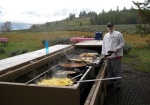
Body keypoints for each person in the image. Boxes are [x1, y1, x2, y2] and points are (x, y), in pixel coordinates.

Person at [101, 22, 125, 89]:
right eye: (108, 27)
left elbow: (122, 43)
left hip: (116, 55)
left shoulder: (118, 34)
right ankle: (111, 82)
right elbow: (104, 45)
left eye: (111, 26)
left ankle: (118, 84)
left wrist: (117, 49)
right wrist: (103, 54)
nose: (110, 28)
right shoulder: (106, 35)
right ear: (107, 27)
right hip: (108, 56)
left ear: (113, 27)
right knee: (110, 71)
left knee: (117, 70)